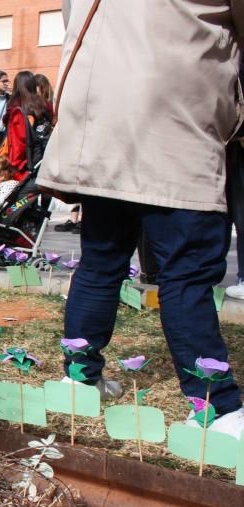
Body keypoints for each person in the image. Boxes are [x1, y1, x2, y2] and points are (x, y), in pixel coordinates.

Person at [38, 0, 243, 428]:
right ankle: (217, 408)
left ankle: (78, 380)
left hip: (103, 117)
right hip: (179, 114)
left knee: (101, 261)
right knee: (186, 273)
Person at [0, 70, 51, 180]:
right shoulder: (41, 102)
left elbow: (5, 121)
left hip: (19, 151)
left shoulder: (13, 104)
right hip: (39, 151)